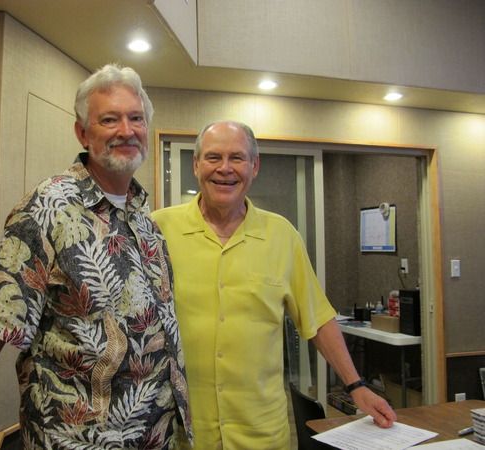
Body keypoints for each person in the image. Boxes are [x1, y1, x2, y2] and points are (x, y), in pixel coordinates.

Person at [0, 64, 192, 450]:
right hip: (76, 440)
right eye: (109, 119)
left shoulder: (145, 222)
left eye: (136, 118)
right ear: (82, 132)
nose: (126, 130)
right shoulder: (49, 207)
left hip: (156, 438)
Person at [151, 120, 396, 449]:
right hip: (183, 432)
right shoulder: (158, 229)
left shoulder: (282, 235)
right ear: (196, 165)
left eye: (237, 158)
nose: (225, 168)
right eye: (213, 157)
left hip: (261, 433)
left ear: (254, 166)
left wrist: (356, 386)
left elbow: (317, 318)